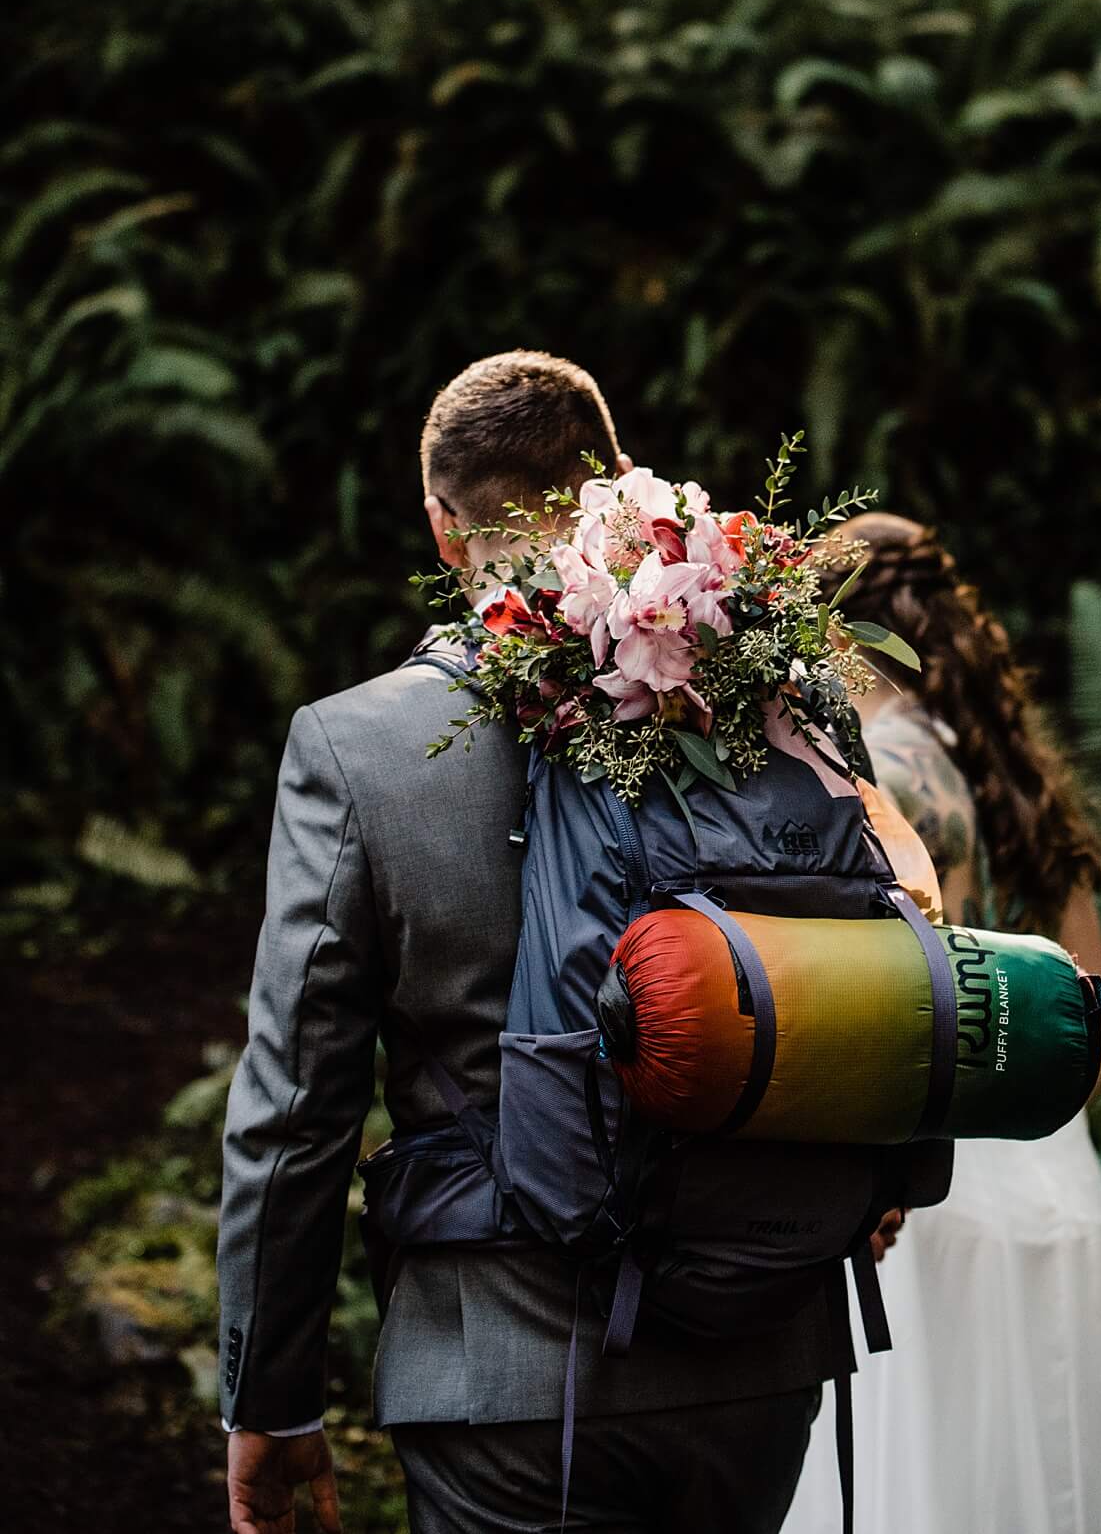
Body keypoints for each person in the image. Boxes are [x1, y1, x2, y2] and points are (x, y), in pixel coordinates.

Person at [217, 350, 838, 1534]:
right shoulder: (761, 692)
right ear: (615, 479)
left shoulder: (361, 753)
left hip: (500, 1374)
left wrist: (272, 1397)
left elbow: (298, 1107)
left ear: (443, 530)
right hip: (757, 1362)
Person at [782, 513, 1101, 1534]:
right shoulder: (1014, 771)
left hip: (924, 1195)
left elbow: (880, 1014)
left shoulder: (863, 777)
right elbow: (1099, 1041)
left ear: (828, 627)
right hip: (1055, 1183)